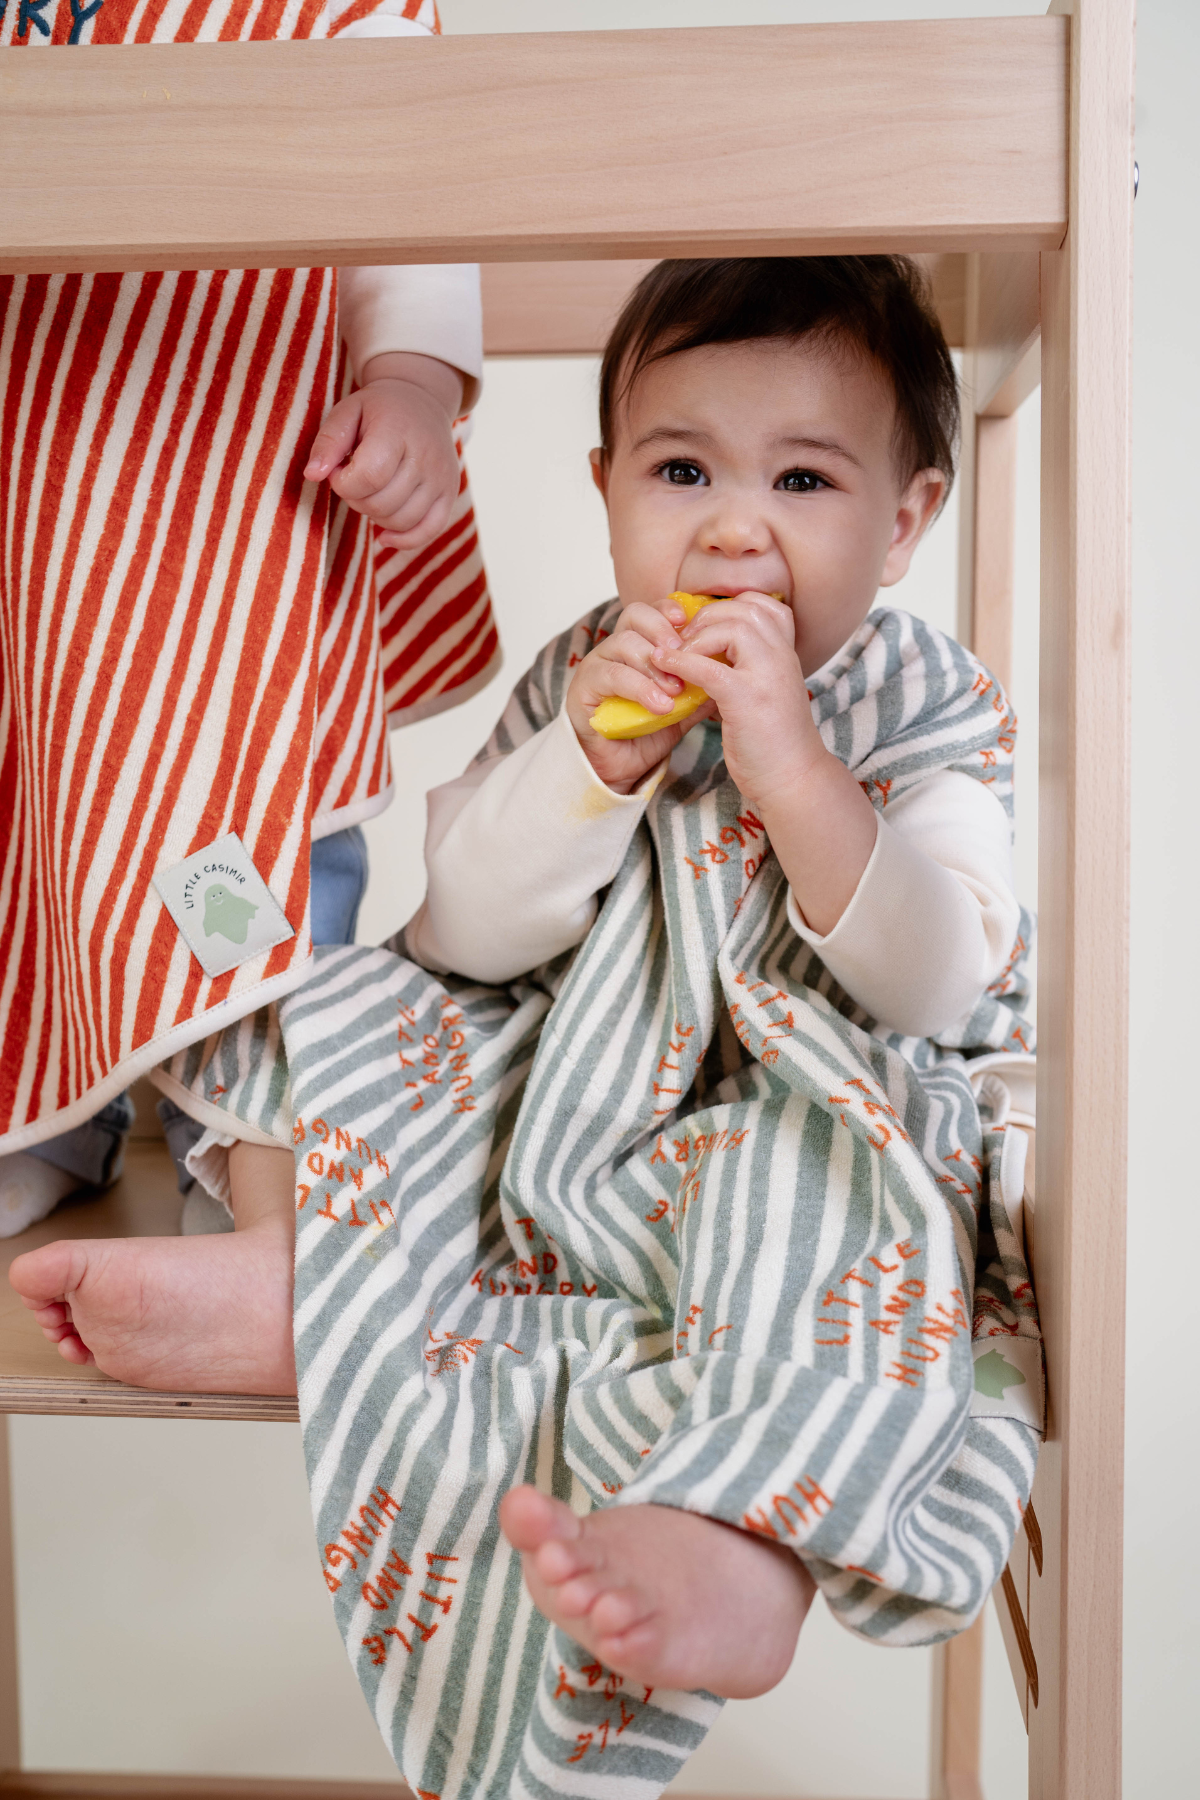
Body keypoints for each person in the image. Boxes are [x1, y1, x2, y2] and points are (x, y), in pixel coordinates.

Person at [10, 257, 1041, 1799]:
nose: (734, 523)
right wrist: (587, 765)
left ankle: (741, 1540)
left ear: (902, 523)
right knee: (313, 997)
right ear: (608, 485)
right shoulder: (589, 670)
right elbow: (467, 932)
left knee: (837, 1227)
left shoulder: (923, 705)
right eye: (681, 468)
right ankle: (308, 1259)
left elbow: (938, 981)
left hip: (798, 1104)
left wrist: (795, 770)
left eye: (803, 478)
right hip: (559, 1086)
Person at [0, 0, 497, 1236]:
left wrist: (414, 376)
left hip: (237, 500)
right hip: (38, 505)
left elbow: (408, 160)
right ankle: (52, 1116)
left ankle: (266, 1144)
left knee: (247, 820)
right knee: (45, 830)